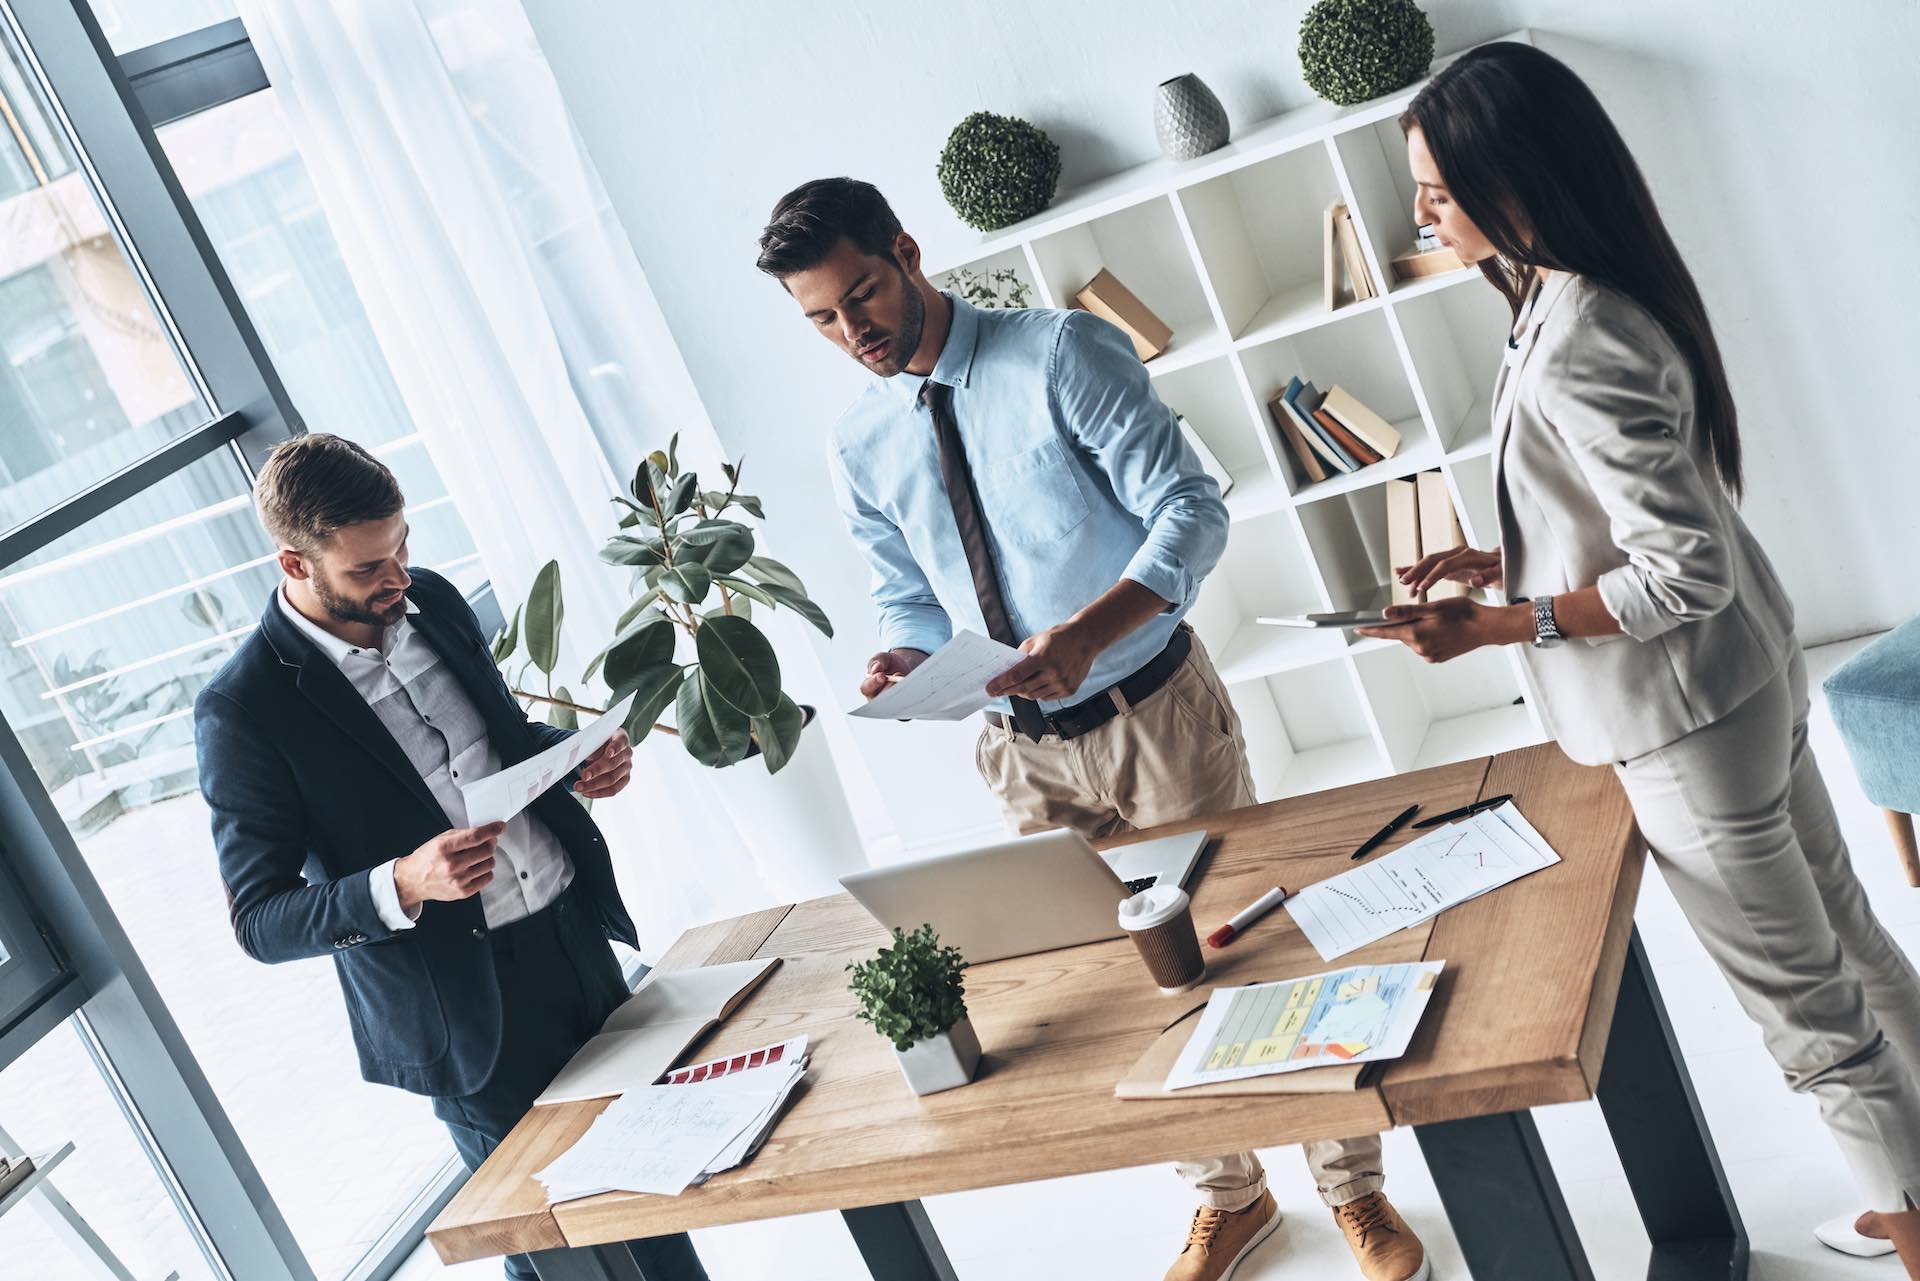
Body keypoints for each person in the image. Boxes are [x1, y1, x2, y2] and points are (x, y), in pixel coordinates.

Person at [758, 178, 1428, 1281]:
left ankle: (1354, 1187)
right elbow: (911, 593)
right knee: (1118, 977)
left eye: (863, 294)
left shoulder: (1061, 353)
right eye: (823, 320)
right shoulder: (858, 441)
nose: (854, 332)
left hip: (1152, 709)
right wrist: (907, 655)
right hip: (1017, 749)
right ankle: (1231, 1195)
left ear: (907, 251)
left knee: (1245, 947)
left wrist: (1086, 629)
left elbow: (1190, 509)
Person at [1359, 42, 1920, 1276]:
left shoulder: (1576, 335)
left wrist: (1504, 626)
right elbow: (1628, 518)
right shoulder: (1576, 292)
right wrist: (1492, 571)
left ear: (1518, 188)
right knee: (1852, 944)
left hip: (1689, 728)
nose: (1423, 219)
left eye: (1441, 196)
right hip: (1745, 678)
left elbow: (1679, 572)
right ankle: (1913, 1183)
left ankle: (1914, 1216)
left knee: (1813, 1023)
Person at [194, 435, 707, 1281]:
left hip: (575, 944)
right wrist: (401, 882)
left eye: (403, 546)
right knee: (561, 1252)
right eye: (368, 569)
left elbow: (501, 745)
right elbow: (261, 919)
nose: (397, 577)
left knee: (655, 1205)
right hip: (467, 1011)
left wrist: (574, 759)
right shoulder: (244, 709)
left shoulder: (428, 600)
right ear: (294, 561)